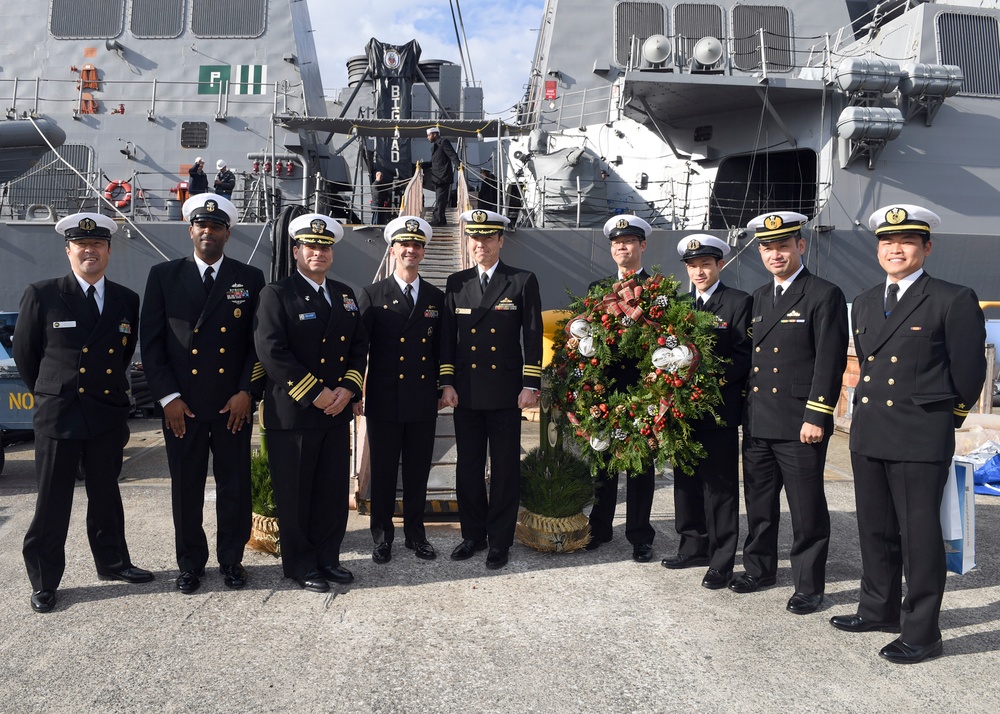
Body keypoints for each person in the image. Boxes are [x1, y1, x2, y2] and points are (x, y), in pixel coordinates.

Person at [830, 205, 986, 664]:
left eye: (906, 242)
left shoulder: (951, 298)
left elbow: (969, 372)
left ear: (926, 248)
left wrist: (944, 420)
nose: (894, 249)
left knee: (918, 537)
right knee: (875, 529)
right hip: (871, 432)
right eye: (886, 242)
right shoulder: (863, 301)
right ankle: (878, 608)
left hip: (920, 436)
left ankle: (923, 631)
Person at [13, 212, 153, 613]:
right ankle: (44, 581)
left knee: (106, 494)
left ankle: (113, 563)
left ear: (109, 249)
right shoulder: (42, 294)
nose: (89, 251)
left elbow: (123, 354)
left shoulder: (127, 299)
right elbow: (27, 355)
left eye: (97, 245)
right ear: (68, 249)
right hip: (60, 414)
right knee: (52, 501)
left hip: (106, 410)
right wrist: (52, 393)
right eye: (81, 245)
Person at [140, 193, 265, 594]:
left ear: (228, 233)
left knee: (234, 486)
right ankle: (190, 563)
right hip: (183, 407)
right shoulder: (163, 275)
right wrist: (167, 399)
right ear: (191, 230)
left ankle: (231, 560)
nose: (208, 232)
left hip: (232, 405)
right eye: (201, 226)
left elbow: (255, 345)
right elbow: (153, 343)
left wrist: (248, 391)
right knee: (186, 488)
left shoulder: (249, 279)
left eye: (216, 227)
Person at [731, 211, 848, 615]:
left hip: (800, 423)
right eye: (767, 247)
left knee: (806, 509)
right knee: (760, 503)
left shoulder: (823, 293)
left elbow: (829, 361)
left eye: (783, 245)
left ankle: (809, 586)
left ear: (801, 245)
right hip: (760, 420)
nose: (775, 254)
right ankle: (759, 569)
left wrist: (816, 416)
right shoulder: (760, 298)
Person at [254, 213, 367, 593]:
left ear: (332, 253)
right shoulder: (277, 294)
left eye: (325, 247)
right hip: (295, 412)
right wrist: (316, 392)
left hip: (335, 412)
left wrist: (349, 390)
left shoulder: (344, 294)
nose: (318, 252)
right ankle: (300, 565)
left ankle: (327, 558)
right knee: (297, 493)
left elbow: (358, 348)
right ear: (296, 251)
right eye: (311, 246)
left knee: (331, 491)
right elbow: (271, 350)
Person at [439, 209, 542, 570]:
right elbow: (446, 339)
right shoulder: (456, 282)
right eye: (474, 238)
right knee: (467, 466)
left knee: (504, 468)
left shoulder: (521, 280)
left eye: (487, 238)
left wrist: (531, 384)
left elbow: (531, 334)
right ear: (468, 242)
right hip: (465, 390)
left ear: (500, 240)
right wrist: (446, 382)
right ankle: (473, 535)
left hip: (505, 391)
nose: (479, 244)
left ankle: (500, 540)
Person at [661, 234, 752, 589]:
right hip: (682, 410)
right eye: (693, 266)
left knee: (721, 486)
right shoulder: (679, 304)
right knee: (685, 482)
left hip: (718, 409)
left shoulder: (738, 302)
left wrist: (707, 380)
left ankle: (721, 558)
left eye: (706, 265)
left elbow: (745, 353)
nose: (699, 271)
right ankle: (692, 545)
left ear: (720, 265)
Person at [357, 215, 444, 564]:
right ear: (393, 250)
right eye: (405, 244)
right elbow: (358, 347)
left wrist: (443, 387)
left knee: (417, 472)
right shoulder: (373, 294)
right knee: (383, 472)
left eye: (417, 245)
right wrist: (354, 390)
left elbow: (442, 350)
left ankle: (415, 535)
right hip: (383, 398)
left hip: (422, 400)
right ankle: (382, 537)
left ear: (423, 251)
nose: (411, 250)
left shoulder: (437, 297)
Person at [585, 214, 658, 562]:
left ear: (642, 245)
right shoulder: (597, 290)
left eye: (628, 241)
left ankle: (640, 534)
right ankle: (599, 527)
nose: (621, 247)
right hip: (606, 390)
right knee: (603, 463)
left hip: (644, 390)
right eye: (616, 243)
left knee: (641, 467)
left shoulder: (659, 290)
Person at [425, 127, 459, 227]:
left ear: (435, 134)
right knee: (440, 199)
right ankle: (442, 219)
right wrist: (421, 165)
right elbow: (433, 163)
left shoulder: (443, 142)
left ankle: (437, 220)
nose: (427, 137)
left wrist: (458, 165)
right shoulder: (436, 146)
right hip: (437, 178)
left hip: (443, 177)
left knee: (440, 200)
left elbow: (452, 155)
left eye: (429, 135)